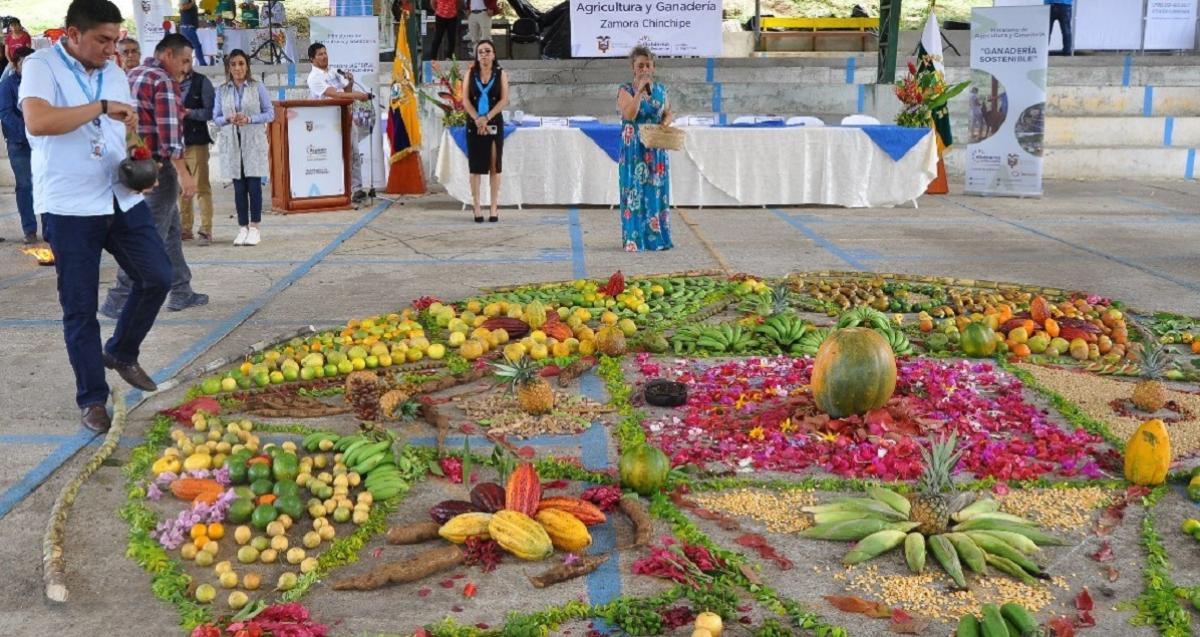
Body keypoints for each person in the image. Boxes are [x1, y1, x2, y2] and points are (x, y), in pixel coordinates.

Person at [21, 0, 173, 432]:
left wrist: (140, 160)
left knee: (158, 276)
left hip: (119, 196)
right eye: (103, 40)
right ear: (73, 35)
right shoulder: (41, 66)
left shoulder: (113, 71)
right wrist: (102, 106)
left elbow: (124, 126)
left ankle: (121, 352)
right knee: (79, 308)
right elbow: (38, 121)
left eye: (116, 40)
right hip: (70, 207)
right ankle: (92, 399)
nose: (112, 49)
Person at [101, 33, 207, 319]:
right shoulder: (164, 82)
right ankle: (118, 299)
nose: (186, 68)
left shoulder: (134, 74)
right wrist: (185, 174)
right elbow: (171, 134)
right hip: (157, 170)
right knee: (149, 239)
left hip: (134, 166)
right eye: (184, 60)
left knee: (171, 231)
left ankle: (181, 291)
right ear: (167, 55)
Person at [213, 49, 273, 246]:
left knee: (254, 186)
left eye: (241, 63)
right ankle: (242, 227)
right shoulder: (222, 90)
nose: (237, 68)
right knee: (239, 188)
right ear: (228, 68)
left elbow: (270, 113)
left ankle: (255, 227)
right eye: (233, 64)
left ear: (247, 66)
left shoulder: (257, 87)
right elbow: (216, 117)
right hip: (232, 142)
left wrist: (250, 119)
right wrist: (229, 119)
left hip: (253, 142)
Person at [615, 45, 672, 252]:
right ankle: (635, 239)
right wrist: (639, 90)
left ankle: (656, 239)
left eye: (648, 65)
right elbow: (630, 114)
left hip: (655, 149)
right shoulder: (625, 90)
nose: (644, 69)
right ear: (633, 68)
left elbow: (667, 112)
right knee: (635, 193)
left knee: (655, 192)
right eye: (640, 65)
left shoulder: (661, 90)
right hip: (634, 151)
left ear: (653, 67)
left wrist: (664, 124)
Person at [306, 42, 373, 201]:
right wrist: (359, 95)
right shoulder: (314, 78)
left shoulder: (334, 71)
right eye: (320, 54)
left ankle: (356, 189)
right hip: (328, 122)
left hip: (345, 117)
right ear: (312, 59)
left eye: (325, 53)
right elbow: (335, 95)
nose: (324, 56)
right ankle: (337, 189)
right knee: (336, 156)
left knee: (354, 154)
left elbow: (345, 93)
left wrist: (350, 83)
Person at [461, 40, 507, 223]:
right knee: (476, 166)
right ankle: (477, 205)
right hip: (474, 123)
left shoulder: (501, 74)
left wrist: (486, 118)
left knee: (494, 165)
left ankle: (494, 206)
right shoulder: (470, 73)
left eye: (488, 51)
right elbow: (465, 100)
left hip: (493, 120)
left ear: (494, 54)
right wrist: (477, 119)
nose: (484, 54)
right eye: (480, 51)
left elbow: (503, 100)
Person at [0, 46, 36, 243]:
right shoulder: (7, 84)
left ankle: (50, 229)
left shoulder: (42, 83)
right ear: (15, 64)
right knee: (24, 185)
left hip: (41, 142)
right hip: (19, 143)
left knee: (43, 183)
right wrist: (30, 129)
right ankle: (29, 229)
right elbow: (5, 114)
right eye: (25, 63)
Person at [178, 55, 215, 244]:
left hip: (197, 142)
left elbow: (211, 112)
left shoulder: (202, 82)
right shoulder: (168, 81)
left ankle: (206, 229)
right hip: (175, 143)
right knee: (180, 188)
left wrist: (190, 113)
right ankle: (185, 228)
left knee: (201, 186)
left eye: (187, 59)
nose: (184, 64)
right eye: (181, 59)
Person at [179, 0, 207, 65]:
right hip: (188, 28)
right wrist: (192, 2)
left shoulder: (191, 4)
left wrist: (202, 13)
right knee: (197, 46)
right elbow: (182, 7)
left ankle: (183, 63)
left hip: (187, 28)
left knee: (188, 47)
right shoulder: (188, 3)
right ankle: (202, 63)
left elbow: (191, 13)